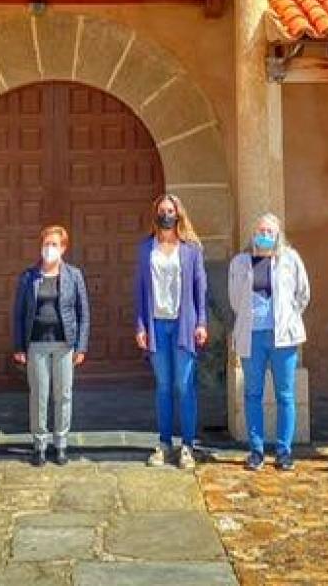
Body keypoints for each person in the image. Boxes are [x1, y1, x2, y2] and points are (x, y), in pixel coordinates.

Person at [228, 213, 310, 472]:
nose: (264, 235)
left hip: (283, 338)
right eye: (260, 230)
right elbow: (234, 299)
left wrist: (289, 317)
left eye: (270, 231)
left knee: (285, 394)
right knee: (253, 393)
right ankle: (256, 450)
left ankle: (284, 451)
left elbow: (303, 293)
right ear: (253, 233)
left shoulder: (290, 259)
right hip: (252, 336)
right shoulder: (240, 262)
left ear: (278, 235)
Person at [135, 193, 208, 469]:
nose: (166, 214)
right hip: (156, 324)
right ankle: (164, 443)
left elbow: (200, 288)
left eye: (170, 210)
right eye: (161, 210)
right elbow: (140, 290)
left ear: (178, 215)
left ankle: (187, 445)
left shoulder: (191, 250)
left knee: (184, 386)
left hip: (183, 325)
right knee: (164, 386)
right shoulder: (146, 249)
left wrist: (201, 322)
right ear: (155, 214)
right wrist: (140, 325)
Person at [12, 225, 91, 466]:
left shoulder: (73, 275)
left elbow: (83, 313)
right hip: (36, 343)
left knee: (63, 394)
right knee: (39, 395)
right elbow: (19, 313)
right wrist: (19, 346)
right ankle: (39, 445)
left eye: (55, 244)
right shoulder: (29, 276)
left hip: (64, 344)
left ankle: (61, 444)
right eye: (46, 244)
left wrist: (81, 346)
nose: (50, 249)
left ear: (64, 248)